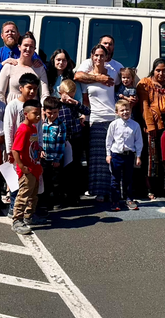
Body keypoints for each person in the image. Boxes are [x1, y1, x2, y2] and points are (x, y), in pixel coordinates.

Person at [79, 44, 117, 203]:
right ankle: (99, 192)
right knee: (97, 159)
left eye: (102, 55)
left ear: (106, 57)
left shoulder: (114, 73)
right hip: (95, 119)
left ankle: (113, 190)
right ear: (92, 57)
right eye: (96, 55)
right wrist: (84, 117)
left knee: (113, 156)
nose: (99, 58)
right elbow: (86, 101)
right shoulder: (86, 78)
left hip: (112, 118)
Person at [136, 59, 165, 200]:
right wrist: (150, 126)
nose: (161, 73)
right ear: (153, 70)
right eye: (158, 70)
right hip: (151, 126)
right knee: (151, 157)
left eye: (164, 70)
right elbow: (144, 106)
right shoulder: (145, 84)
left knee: (164, 156)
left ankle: (163, 187)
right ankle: (149, 188)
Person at [3, 72, 41, 213]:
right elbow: (8, 128)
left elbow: (39, 128)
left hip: (31, 152)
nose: (32, 91)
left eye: (35, 89)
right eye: (29, 88)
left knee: (29, 182)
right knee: (16, 181)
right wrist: (9, 151)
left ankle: (28, 212)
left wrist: (40, 146)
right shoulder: (13, 105)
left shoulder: (36, 106)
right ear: (21, 88)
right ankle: (14, 209)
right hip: (17, 151)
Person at [11, 99, 44, 235]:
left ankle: (28, 216)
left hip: (34, 166)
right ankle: (17, 220)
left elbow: (33, 145)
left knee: (33, 195)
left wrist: (40, 149)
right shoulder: (23, 129)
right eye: (35, 114)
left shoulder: (33, 128)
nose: (38, 117)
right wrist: (21, 166)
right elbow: (15, 150)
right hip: (27, 168)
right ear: (26, 114)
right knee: (24, 194)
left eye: (39, 114)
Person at [105, 99, 144, 211]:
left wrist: (138, 156)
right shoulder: (114, 124)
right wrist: (108, 154)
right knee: (115, 179)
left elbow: (138, 141)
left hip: (129, 155)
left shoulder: (135, 125)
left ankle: (129, 199)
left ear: (131, 110)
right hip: (116, 155)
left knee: (128, 179)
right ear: (117, 112)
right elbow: (109, 140)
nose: (125, 112)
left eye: (127, 109)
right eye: (122, 110)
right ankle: (115, 200)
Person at [56, 79, 89, 206]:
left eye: (72, 95)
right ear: (60, 93)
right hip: (62, 140)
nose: (69, 98)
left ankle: (73, 195)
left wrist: (76, 103)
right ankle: (60, 195)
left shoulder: (75, 105)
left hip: (75, 138)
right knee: (62, 168)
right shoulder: (57, 105)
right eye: (67, 96)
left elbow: (87, 111)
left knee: (75, 167)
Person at [0, 32, 51, 103]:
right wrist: (2, 111)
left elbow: (44, 94)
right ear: (19, 47)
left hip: (32, 109)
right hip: (12, 110)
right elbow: (0, 94)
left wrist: (45, 108)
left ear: (34, 49)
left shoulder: (39, 68)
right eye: (25, 45)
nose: (28, 49)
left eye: (31, 46)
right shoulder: (9, 66)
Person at [39, 97, 68, 210]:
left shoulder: (60, 125)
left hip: (55, 158)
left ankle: (57, 200)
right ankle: (46, 202)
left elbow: (61, 144)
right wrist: (40, 151)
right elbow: (39, 140)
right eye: (49, 113)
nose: (52, 115)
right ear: (44, 111)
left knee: (56, 181)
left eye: (55, 112)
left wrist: (57, 159)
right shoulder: (42, 124)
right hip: (44, 157)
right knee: (45, 180)